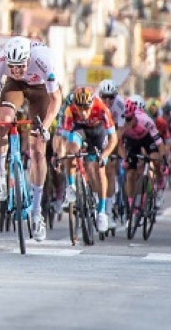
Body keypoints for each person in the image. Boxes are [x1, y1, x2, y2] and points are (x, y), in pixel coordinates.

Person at [0, 36, 61, 241]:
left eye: (21, 66)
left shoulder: (43, 59)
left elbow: (56, 98)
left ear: (28, 59)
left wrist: (45, 127)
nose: (17, 70)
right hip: (16, 88)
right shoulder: (1, 61)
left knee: (38, 150)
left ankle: (37, 213)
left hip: (41, 91)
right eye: (13, 67)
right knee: (3, 122)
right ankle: (1, 174)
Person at [58, 84, 117, 234]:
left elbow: (113, 139)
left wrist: (104, 156)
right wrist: (61, 154)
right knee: (71, 151)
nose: (83, 113)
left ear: (92, 104)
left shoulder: (102, 108)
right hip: (79, 131)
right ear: (75, 105)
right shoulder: (69, 110)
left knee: (98, 168)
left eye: (86, 108)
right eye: (80, 108)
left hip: (98, 133)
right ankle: (71, 187)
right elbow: (63, 139)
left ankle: (102, 211)